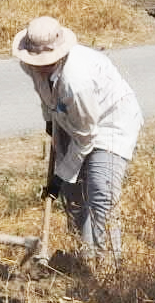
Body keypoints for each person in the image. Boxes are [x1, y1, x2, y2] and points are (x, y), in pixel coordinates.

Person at [11, 16, 143, 267]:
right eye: (36, 61)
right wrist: (50, 122)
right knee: (73, 197)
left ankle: (108, 268)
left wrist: (58, 178)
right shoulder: (29, 64)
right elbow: (45, 95)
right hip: (69, 117)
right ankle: (85, 259)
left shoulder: (76, 81)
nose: (39, 66)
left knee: (100, 194)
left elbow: (86, 136)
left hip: (110, 123)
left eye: (46, 62)